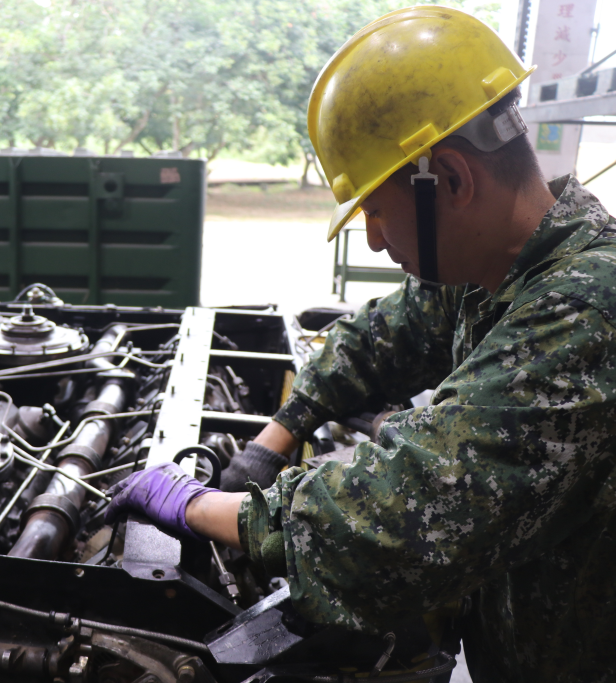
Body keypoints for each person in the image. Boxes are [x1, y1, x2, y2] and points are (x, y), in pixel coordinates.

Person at [106, 7, 616, 681]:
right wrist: (275, 438)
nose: (373, 240)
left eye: (375, 210)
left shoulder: (587, 309)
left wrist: (195, 504)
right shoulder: (496, 268)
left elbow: (398, 515)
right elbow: (377, 338)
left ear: (452, 180)